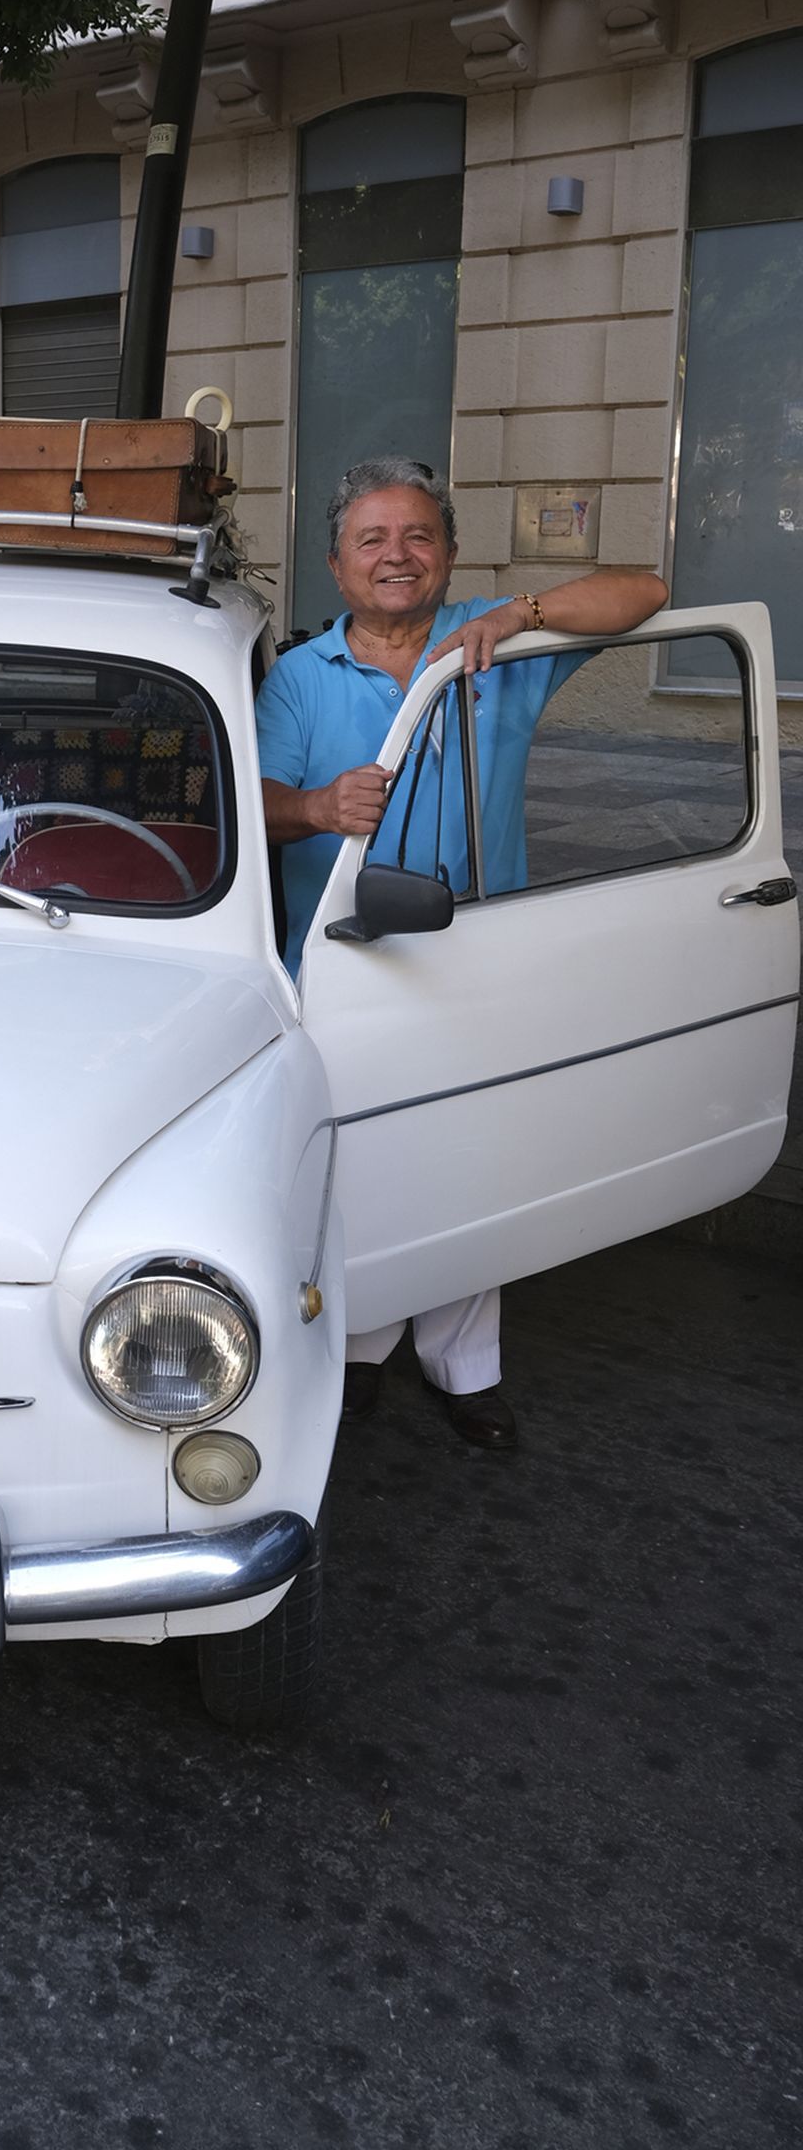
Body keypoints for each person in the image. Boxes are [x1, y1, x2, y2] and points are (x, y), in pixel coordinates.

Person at [256, 454, 668, 1450]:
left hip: (485, 957)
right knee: (349, 1162)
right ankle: (357, 1351)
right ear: (335, 563)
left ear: (445, 553)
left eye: (416, 537)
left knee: (476, 1160)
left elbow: (648, 591)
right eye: (371, 539)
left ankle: (463, 1366)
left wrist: (518, 611)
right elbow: (244, 804)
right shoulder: (300, 676)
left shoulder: (490, 640)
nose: (395, 556)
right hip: (346, 962)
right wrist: (312, 806)